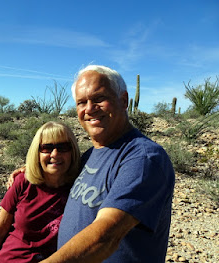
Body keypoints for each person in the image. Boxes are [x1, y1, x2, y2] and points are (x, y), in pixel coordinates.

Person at [11, 65, 175, 262]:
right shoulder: (90, 155)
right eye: (81, 102)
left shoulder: (143, 158)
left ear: (123, 100)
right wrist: (31, 169)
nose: (89, 109)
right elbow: (60, 176)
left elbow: (106, 236)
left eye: (99, 99)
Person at [0, 121, 81, 263]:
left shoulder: (81, 185)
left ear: (73, 151)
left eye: (63, 147)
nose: (55, 154)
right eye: (46, 148)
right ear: (37, 152)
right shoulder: (23, 182)